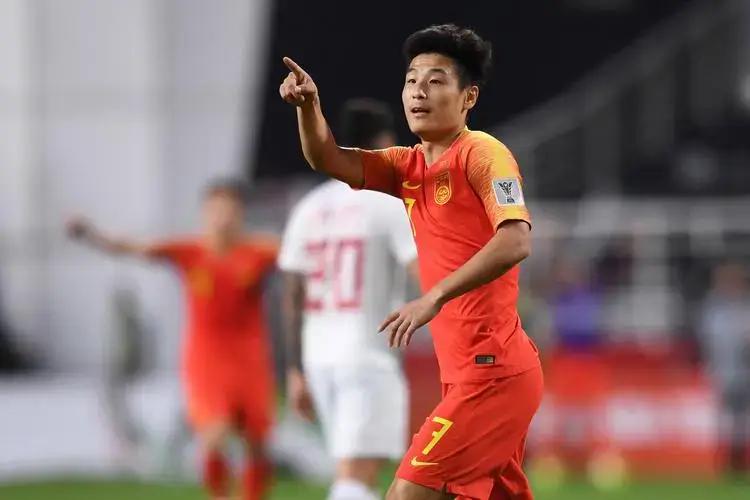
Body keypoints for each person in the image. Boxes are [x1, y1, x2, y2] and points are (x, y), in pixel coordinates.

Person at [279, 23, 542, 500]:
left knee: (406, 493)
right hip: (464, 373)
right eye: (411, 80)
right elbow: (328, 158)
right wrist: (308, 107)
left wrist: (433, 296)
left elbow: (516, 241)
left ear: (468, 97)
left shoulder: (484, 154)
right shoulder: (407, 166)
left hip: (493, 372)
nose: (419, 91)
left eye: (436, 80)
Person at [67, 179, 277, 500]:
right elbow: (133, 247)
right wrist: (91, 235)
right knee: (215, 435)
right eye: (216, 211)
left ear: (240, 215)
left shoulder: (258, 252)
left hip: (250, 360)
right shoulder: (188, 252)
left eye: (230, 211)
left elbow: (300, 250)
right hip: (206, 360)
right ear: (205, 214)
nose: (223, 218)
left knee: (258, 443)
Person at [279, 98, 418, 500]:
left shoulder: (309, 208)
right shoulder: (387, 203)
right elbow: (426, 273)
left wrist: (295, 369)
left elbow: (292, 295)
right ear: (384, 144)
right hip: (366, 357)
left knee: (356, 475)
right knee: (355, 478)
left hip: (319, 359)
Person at [700, 261, 750, 474]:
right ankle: (727, 460)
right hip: (724, 372)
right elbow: (710, 340)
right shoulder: (714, 310)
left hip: (744, 372)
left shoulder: (745, 309)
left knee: (743, 417)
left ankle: (739, 459)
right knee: (726, 418)